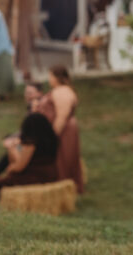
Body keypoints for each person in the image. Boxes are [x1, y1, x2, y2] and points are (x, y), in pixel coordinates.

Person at [38, 66, 84, 194]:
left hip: (64, 130)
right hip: (63, 129)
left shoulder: (62, 92)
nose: (49, 79)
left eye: (50, 76)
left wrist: (53, 135)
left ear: (56, 77)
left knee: (64, 158)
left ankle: (65, 186)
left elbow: (62, 116)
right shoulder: (59, 91)